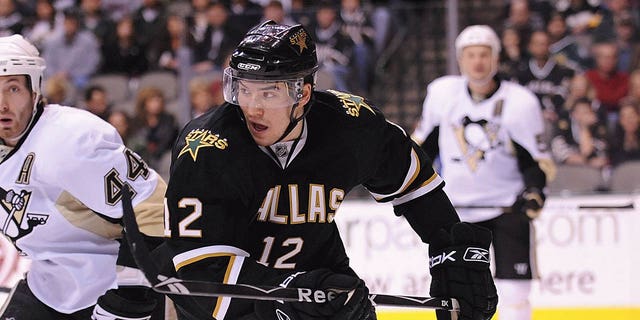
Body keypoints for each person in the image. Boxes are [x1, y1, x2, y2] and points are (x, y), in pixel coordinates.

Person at [162, 20, 498, 320]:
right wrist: (286, 296)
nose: (254, 107)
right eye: (245, 90)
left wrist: (449, 248)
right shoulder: (208, 149)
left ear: (303, 93)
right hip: (231, 301)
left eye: (269, 92)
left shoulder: (350, 126)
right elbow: (200, 270)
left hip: (318, 281)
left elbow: (416, 186)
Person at [0, 34, 167, 319]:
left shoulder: (72, 139)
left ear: (35, 90)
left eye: (13, 88)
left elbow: (154, 210)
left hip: (110, 288)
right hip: (48, 288)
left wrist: (129, 297)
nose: (2, 104)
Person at [411, 25, 555, 320]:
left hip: (507, 208)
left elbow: (535, 162)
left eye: (484, 55)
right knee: (458, 294)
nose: (477, 62)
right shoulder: (442, 94)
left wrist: (534, 192)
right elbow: (424, 149)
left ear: (496, 58)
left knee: (515, 293)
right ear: (460, 60)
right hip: (455, 210)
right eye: (470, 55)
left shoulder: (521, 102)